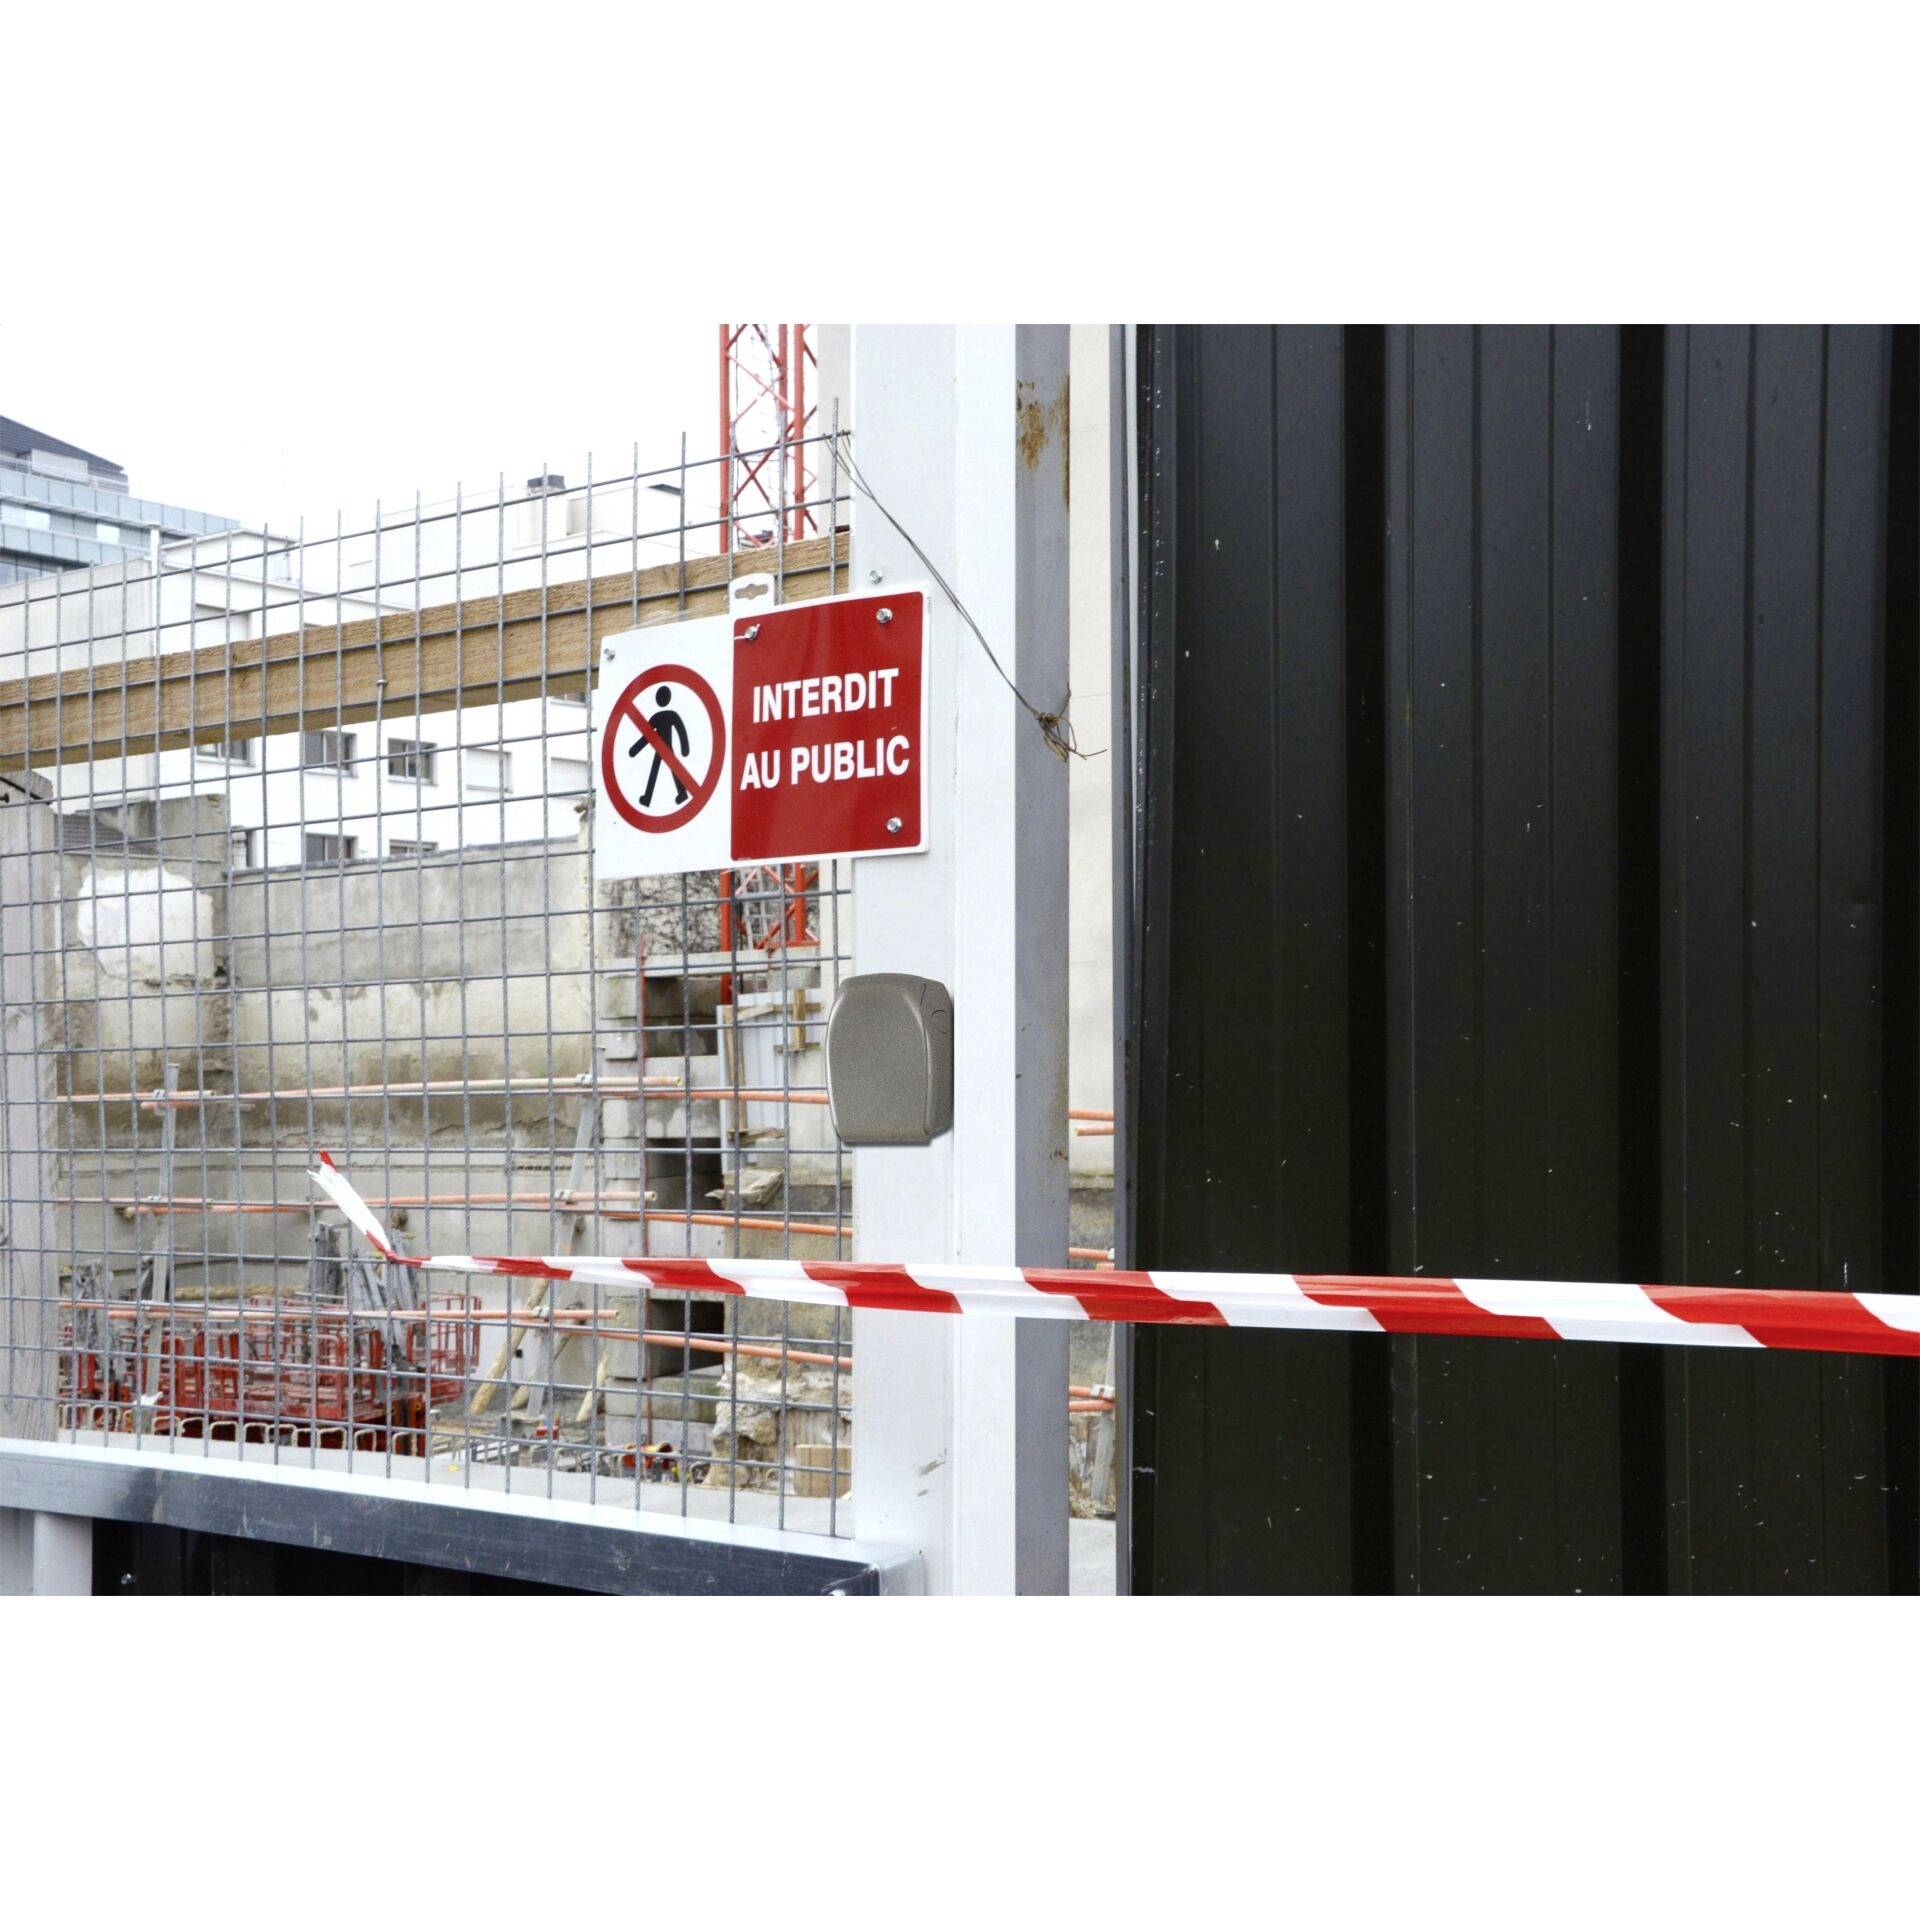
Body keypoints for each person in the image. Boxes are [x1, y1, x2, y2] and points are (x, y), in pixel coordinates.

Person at [628, 685, 690, 806]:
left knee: (657, 771)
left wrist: (634, 750)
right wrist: (684, 748)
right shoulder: (670, 715)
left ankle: (649, 798)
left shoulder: (657, 717)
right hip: (663, 749)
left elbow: (646, 737)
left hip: (663, 748)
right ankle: (680, 794)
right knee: (666, 770)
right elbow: (680, 731)